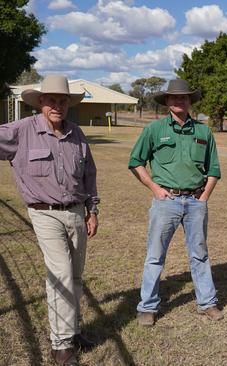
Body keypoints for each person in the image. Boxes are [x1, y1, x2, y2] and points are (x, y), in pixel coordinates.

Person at [0, 75, 100, 366]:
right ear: (40, 102)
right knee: (61, 276)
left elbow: (89, 176)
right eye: (51, 100)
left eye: (62, 100)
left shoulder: (78, 135)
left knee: (77, 275)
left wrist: (92, 211)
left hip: (77, 213)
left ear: (68, 104)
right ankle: (60, 346)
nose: (57, 105)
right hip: (44, 214)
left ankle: (73, 331)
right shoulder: (21, 131)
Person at [128, 79, 223, 326]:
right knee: (155, 255)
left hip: (195, 202)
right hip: (165, 202)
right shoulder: (154, 130)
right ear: (167, 101)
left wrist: (204, 198)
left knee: (199, 254)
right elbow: (136, 162)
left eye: (184, 97)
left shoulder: (203, 132)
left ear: (190, 100)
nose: (179, 100)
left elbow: (213, 169)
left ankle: (208, 302)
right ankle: (147, 307)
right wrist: (155, 188)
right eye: (174, 97)